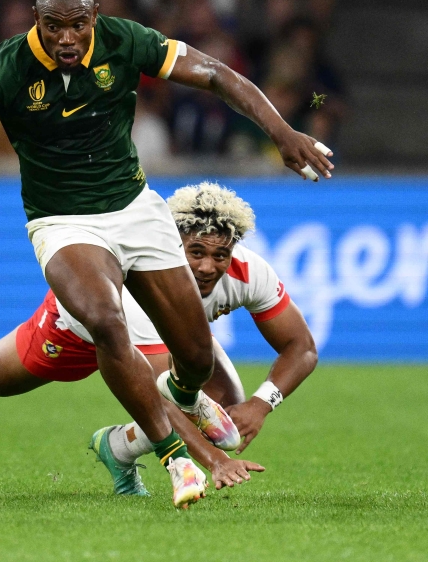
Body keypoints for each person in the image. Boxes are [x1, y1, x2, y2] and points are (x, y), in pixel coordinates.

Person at [0, 0, 333, 509]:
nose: (67, 39)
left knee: (195, 361)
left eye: (78, 26)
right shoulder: (3, 71)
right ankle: (171, 458)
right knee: (97, 327)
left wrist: (282, 133)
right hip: (65, 225)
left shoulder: (125, 41)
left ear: (95, 18)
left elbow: (217, 75)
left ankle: (138, 435)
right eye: (54, 26)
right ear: (37, 21)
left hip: (134, 210)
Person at [90, 183, 318, 495]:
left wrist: (261, 404)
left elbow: (302, 348)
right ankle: (119, 446)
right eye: (196, 252)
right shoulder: (145, 282)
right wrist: (215, 460)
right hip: (76, 330)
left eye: (220, 255)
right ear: (172, 244)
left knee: (225, 413)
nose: (207, 267)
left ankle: (118, 446)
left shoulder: (250, 272)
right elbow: (157, 397)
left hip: (172, 333)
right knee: (0, 380)